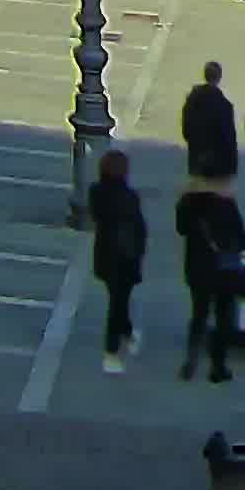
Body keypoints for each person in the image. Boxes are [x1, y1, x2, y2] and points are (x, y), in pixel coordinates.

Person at [174, 184, 245, 383]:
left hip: (198, 268)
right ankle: (218, 366)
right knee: (223, 317)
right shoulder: (227, 203)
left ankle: (191, 360)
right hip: (224, 269)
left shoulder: (190, 203)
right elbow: (243, 239)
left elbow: (181, 229)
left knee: (199, 313)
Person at [88, 148, 147, 372]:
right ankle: (111, 352)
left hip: (105, 255)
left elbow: (96, 217)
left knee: (117, 300)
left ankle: (129, 333)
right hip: (126, 257)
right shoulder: (130, 197)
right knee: (118, 303)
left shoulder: (96, 192)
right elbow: (139, 228)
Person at [181, 61, 238, 186]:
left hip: (196, 158)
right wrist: (232, 166)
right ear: (219, 77)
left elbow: (186, 130)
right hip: (217, 164)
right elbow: (229, 138)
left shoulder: (192, 100)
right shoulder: (224, 105)